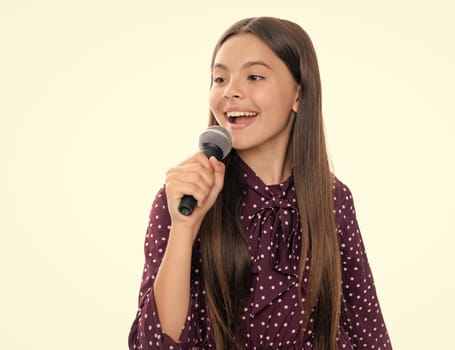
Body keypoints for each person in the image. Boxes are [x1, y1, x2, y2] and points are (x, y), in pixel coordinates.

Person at [128, 17, 392, 350]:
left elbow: (367, 328)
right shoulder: (183, 197)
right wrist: (184, 227)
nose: (230, 92)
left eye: (254, 77)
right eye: (220, 78)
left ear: (298, 93)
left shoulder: (333, 198)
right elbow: (156, 344)